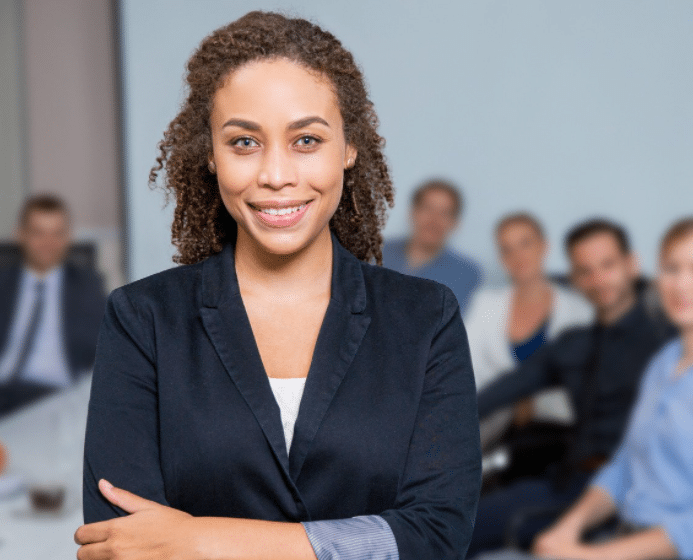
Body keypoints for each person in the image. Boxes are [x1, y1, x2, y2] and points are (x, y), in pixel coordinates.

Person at [76, 11, 480, 560]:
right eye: (244, 142)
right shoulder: (142, 318)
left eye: (306, 139)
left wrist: (203, 539)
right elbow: (120, 544)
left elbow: (437, 537)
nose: (276, 174)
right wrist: (354, 542)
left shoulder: (425, 318)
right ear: (212, 157)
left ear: (349, 148)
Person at [466, 218, 675, 556]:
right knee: (456, 525)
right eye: (586, 270)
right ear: (575, 279)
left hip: (636, 494)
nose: (597, 279)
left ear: (631, 264)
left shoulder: (669, 339)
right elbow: (495, 394)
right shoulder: (573, 345)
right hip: (569, 482)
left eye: (607, 265)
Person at [527, 215, 693, 560]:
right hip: (622, 536)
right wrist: (568, 528)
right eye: (672, 269)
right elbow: (625, 464)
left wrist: (595, 556)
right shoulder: (664, 363)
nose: (682, 285)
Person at [465, 212, 593, 448]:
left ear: (544, 246)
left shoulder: (579, 312)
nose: (517, 256)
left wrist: (533, 403)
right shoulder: (485, 305)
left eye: (525, 244)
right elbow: (464, 369)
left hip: (554, 432)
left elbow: (584, 391)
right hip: (487, 423)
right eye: (506, 249)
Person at [0, 195, 106, 417]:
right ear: (20, 234)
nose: (48, 243)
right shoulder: (4, 283)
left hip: (53, 397)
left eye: (57, 233)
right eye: (38, 233)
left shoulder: (87, 286)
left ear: (68, 237)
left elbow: (102, 350)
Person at [382, 179, 483, 313]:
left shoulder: (465, 274)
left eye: (445, 213)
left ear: (456, 223)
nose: (434, 220)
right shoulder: (374, 252)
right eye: (427, 208)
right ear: (411, 213)